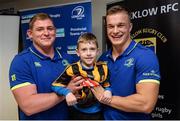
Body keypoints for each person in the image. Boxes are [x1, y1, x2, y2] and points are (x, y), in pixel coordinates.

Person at [9, 13, 83, 120]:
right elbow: (28, 106)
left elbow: (78, 92)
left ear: (55, 31)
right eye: (40, 29)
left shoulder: (68, 59)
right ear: (30, 34)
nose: (46, 33)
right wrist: (66, 91)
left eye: (50, 28)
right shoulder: (21, 61)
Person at [91, 5, 161, 120]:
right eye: (110, 26)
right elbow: (96, 91)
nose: (115, 31)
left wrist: (106, 98)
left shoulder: (145, 56)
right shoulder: (103, 58)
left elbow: (146, 104)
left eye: (120, 25)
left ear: (130, 27)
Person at [51, 32, 112, 120]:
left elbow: (106, 84)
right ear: (77, 52)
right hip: (77, 112)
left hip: (98, 112)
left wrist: (108, 91)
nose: (88, 53)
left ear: (97, 51)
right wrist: (67, 93)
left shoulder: (103, 68)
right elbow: (55, 85)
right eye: (84, 49)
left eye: (92, 49)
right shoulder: (72, 69)